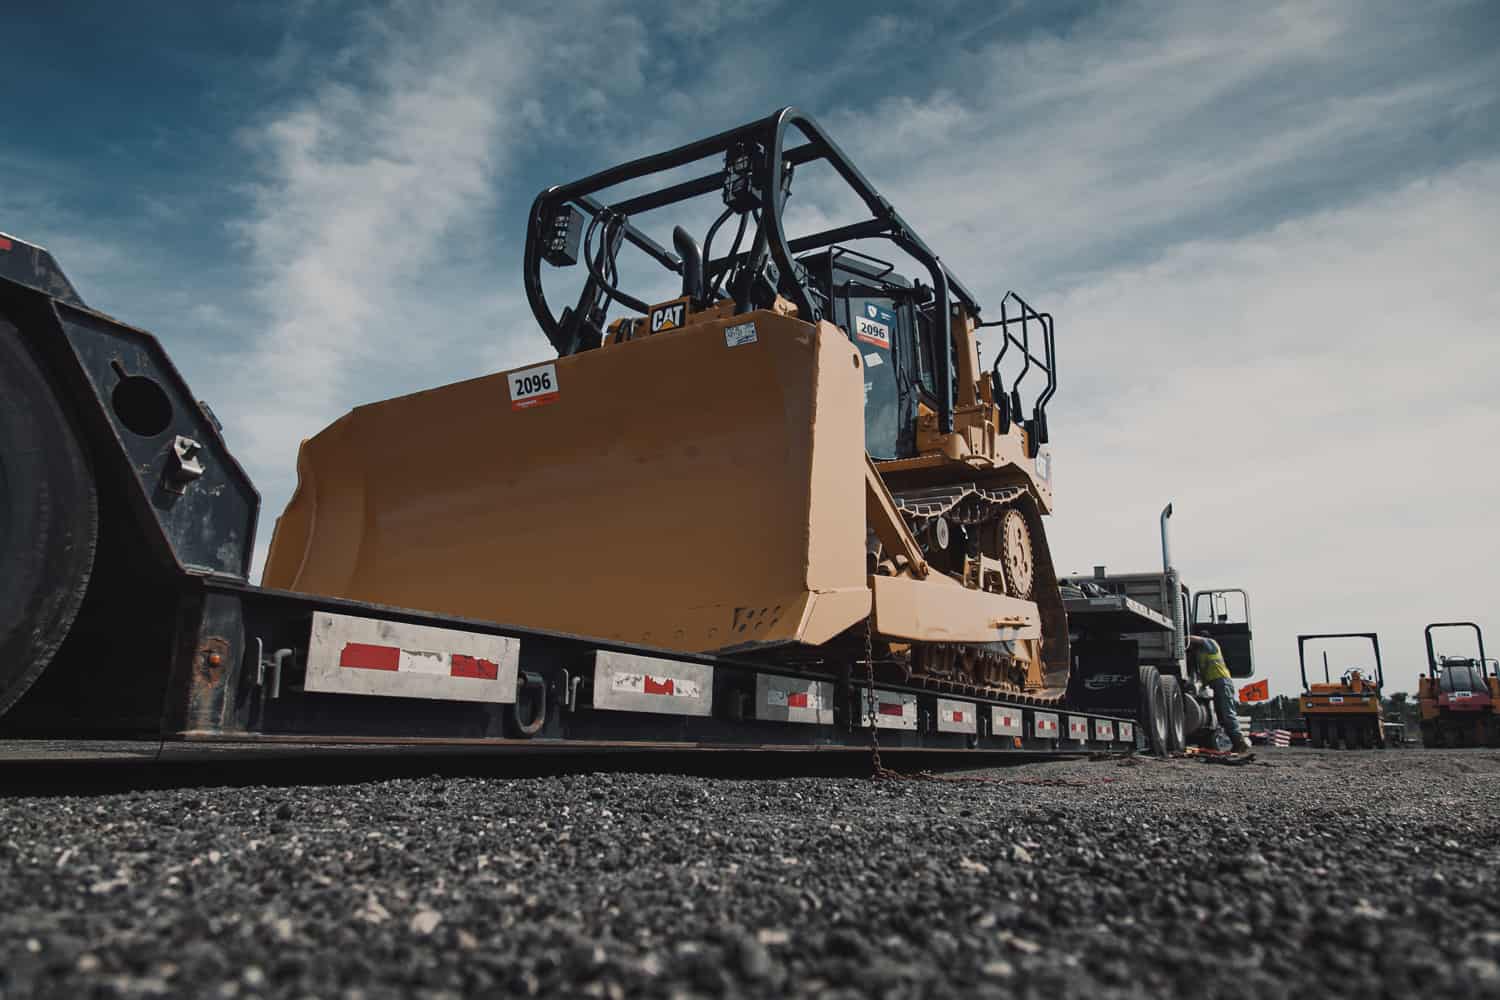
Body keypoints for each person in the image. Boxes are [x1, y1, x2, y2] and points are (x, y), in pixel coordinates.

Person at [1186, 634, 1251, 753]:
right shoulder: (1200, 654)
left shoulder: (1211, 644)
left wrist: (1183, 637)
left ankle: (1239, 741)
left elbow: (1198, 639)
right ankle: (1236, 742)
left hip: (1222, 681)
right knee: (1221, 715)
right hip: (1216, 684)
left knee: (1227, 712)